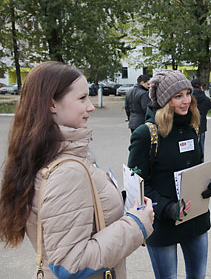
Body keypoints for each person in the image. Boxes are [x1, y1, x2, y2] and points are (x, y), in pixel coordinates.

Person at [0, 61, 155, 279]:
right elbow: (70, 264)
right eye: (82, 98)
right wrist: (137, 223)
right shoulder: (68, 171)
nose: (91, 106)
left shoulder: (47, 153)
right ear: (52, 105)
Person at [127, 70, 211, 279]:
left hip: (195, 218)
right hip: (163, 224)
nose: (187, 101)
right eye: (178, 96)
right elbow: (137, 187)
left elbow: (196, 166)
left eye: (188, 93)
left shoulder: (192, 127)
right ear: (164, 100)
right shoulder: (145, 134)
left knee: (198, 276)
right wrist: (168, 208)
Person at [191, 79, 211, 156]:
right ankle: (201, 163)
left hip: (190, 125)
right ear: (200, 87)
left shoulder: (189, 98)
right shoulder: (205, 99)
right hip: (202, 125)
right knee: (201, 146)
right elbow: (209, 106)